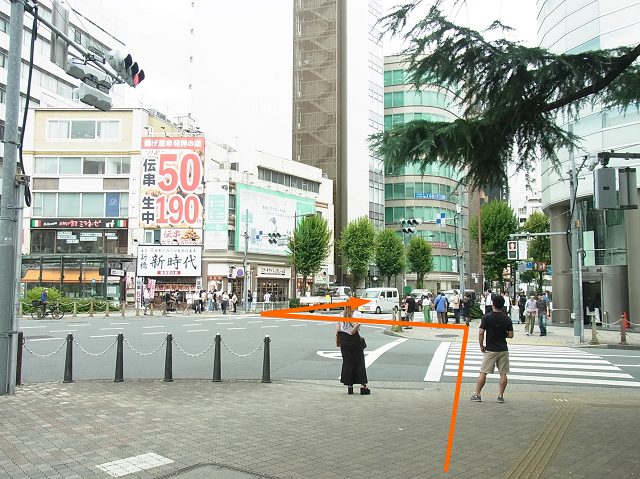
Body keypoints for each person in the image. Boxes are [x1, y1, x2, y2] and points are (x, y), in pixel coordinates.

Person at [470, 294, 514, 403]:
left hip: (490, 349)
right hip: (503, 349)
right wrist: (503, 334)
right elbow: (511, 335)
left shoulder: (487, 317)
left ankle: (477, 394)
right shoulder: (506, 318)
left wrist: (481, 345)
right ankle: (500, 396)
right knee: (503, 373)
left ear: (493, 304)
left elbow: (481, 332)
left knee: (483, 372)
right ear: (503, 305)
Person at [336, 305, 370, 395]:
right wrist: (352, 331)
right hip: (354, 339)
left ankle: (349, 386)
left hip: (344, 340)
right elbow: (358, 324)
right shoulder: (357, 314)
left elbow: (338, 329)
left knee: (347, 362)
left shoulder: (340, 314)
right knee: (359, 362)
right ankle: (363, 386)